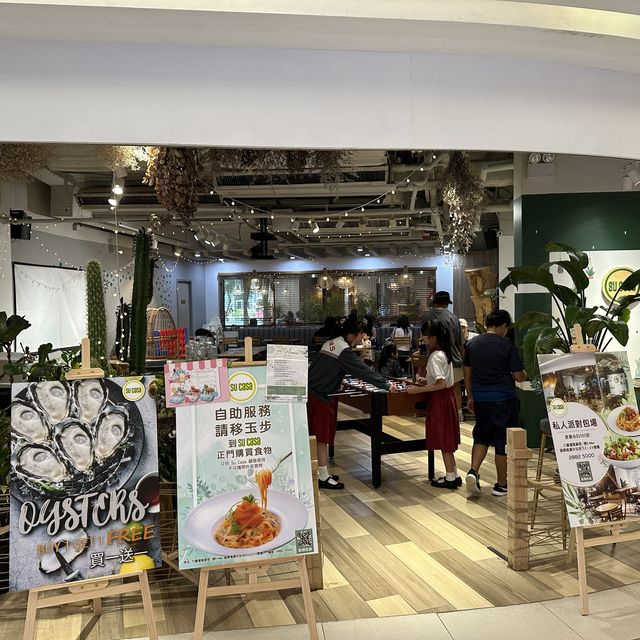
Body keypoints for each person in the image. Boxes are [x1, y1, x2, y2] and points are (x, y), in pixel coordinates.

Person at [308, 319, 392, 490]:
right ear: (352, 335)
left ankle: (321, 472)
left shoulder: (331, 343)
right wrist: (386, 384)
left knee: (319, 435)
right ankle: (322, 476)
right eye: (361, 335)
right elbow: (363, 371)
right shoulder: (343, 350)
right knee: (321, 437)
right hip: (319, 395)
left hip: (316, 392)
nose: (362, 338)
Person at [463, 309, 526, 497]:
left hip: (481, 399)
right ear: (503, 325)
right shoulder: (506, 345)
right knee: (502, 441)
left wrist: (470, 396)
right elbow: (518, 376)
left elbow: (467, 373)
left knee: (481, 436)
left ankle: (473, 471)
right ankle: (501, 484)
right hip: (503, 400)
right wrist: (524, 374)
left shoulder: (472, 344)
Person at [408, 320, 461, 488]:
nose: (422, 338)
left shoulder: (435, 356)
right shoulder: (444, 352)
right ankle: (454, 474)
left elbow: (440, 383)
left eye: (424, 335)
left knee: (444, 438)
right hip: (447, 398)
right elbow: (442, 380)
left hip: (440, 400)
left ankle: (450, 478)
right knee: (448, 437)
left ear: (432, 338)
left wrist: (418, 389)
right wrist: (426, 380)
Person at [423, 291, 464, 418]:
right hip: (452, 357)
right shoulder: (453, 317)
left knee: (434, 385)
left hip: (432, 356)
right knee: (454, 386)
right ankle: (458, 413)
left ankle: (437, 413)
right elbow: (459, 342)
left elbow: (422, 338)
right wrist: (463, 357)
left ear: (435, 302)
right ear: (447, 304)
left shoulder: (426, 316)